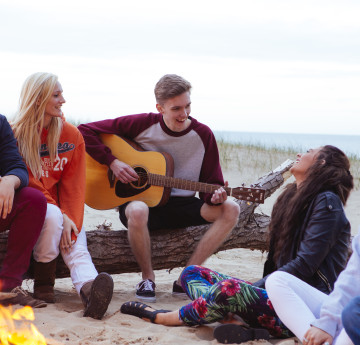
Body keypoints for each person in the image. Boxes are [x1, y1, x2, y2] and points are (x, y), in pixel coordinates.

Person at [120, 145, 354, 342]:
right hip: (274, 296)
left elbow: (304, 266)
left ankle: (167, 316)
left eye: (309, 152)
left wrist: (255, 289)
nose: (300, 155)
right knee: (191, 273)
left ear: (321, 164)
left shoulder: (327, 203)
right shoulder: (292, 197)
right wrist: (255, 291)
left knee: (229, 289)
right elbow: (275, 262)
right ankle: (236, 320)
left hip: (298, 306)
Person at [78, 74, 241, 302]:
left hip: (183, 206)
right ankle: (147, 277)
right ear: (160, 107)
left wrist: (215, 196)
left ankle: (187, 276)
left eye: (187, 106)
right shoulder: (142, 124)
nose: (184, 114)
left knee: (231, 208)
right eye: (176, 109)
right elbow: (85, 130)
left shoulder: (203, 135)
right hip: (142, 203)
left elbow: (211, 183)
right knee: (137, 210)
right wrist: (113, 162)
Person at [11, 72, 113, 319]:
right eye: (56, 95)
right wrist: (61, 214)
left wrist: (71, 220)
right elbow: (28, 182)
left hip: (60, 209)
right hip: (28, 208)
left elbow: (74, 187)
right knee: (53, 215)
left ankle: (89, 290)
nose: (63, 100)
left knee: (75, 238)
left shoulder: (71, 136)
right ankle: (44, 283)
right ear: (38, 99)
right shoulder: (15, 134)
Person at [265, 229, 360, 345]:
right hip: (346, 311)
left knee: (351, 312)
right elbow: (350, 280)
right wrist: (326, 324)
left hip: (353, 315)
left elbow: (305, 264)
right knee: (277, 281)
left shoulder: (329, 212)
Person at [0, 114, 47, 308]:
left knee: (33, 199)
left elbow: (17, 166)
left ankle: (8, 286)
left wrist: (10, 180)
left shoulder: (1, 123)